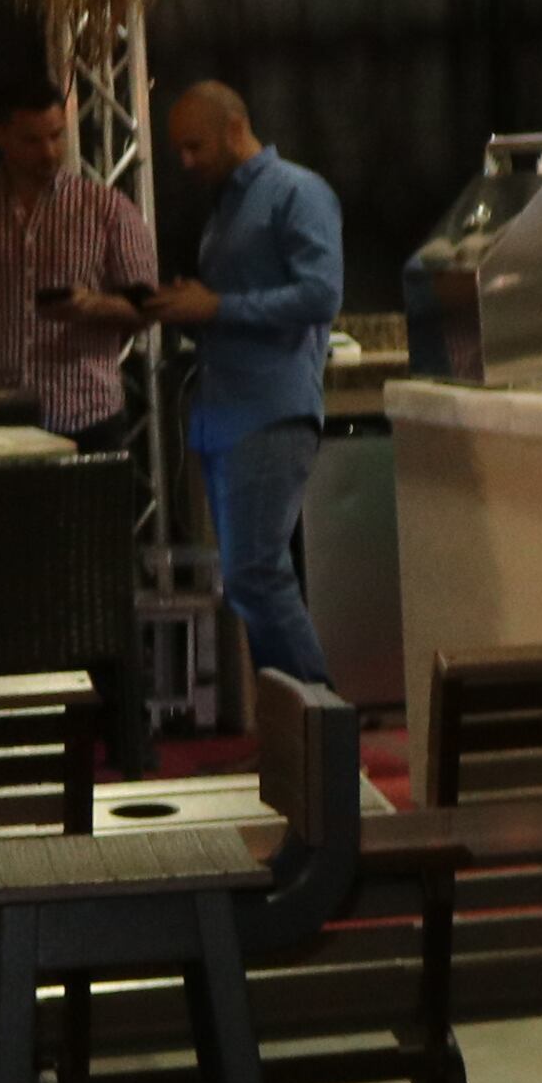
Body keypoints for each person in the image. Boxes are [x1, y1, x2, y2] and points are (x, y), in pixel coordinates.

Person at [157, 79, 343, 691]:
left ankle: (319, 719)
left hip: (269, 408)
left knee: (256, 575)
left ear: (235, 129)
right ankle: (297, 720)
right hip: (229, 410)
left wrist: (215, 307)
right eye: (179, 150)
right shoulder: (230, 205)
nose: (186, 162)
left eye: (195, 146)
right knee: (250, 579)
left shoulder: (296, 192)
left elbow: (321, 294)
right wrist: (187, 308)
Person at [0, 69, 156, 443]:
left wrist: (93, 306)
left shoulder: (108, 208)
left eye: (57, 136)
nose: (49, 152)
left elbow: (149, 306)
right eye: (32, 141)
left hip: (85, 414)